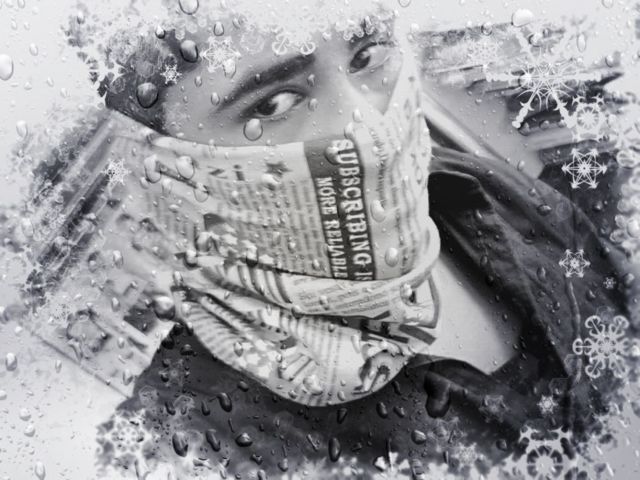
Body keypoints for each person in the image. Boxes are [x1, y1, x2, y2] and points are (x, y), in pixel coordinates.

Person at [14, 1, 636, 478]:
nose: (365, 125)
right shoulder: (190, 445)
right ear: (171, 166)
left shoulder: (482, 188)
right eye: (275, 102)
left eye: (367, 55)